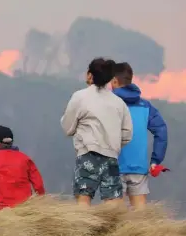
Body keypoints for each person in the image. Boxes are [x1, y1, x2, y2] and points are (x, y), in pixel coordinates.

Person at [60, 58, 133, 207]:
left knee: (84, 197)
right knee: (112, 200)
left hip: (87, 153)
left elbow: (68, 128)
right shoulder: (119, 103)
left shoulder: (80, 97)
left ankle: (83, 230)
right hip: (111, 156)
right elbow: (127, 134)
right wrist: (114, 144)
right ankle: (115, 230)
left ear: (89, 75)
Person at [111, 62, 169, 210]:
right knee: (140, 219)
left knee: (113, 218)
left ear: (115, 81)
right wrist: (156, 160)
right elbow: (161, 130)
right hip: (139, 168)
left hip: (113, 167)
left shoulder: (110, 104)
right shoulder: (145, 106)